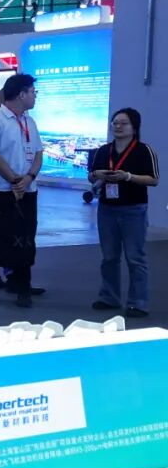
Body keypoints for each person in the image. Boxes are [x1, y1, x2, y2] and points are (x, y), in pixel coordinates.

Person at [0, 73, 44, 308]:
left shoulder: (30, 122)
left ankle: (22, 286)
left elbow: (38, 154)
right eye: (33, 92)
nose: (35, 96)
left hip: (27, 190)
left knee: (25, 239)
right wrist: (15, 180)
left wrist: (29, 178)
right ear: (21, 94)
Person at [89, 108, 159, 318]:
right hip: (106, 209)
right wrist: (97, 174)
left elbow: (153, 179)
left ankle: (138, 303)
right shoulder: (104, 151)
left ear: (134, 127)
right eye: (115, 123)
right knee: (109, 257)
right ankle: (109, 297)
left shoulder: (144, 150)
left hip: (134, 209)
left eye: (123, 123)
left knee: (135, 257)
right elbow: (92, 177)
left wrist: (128, 176)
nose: (118, 126)